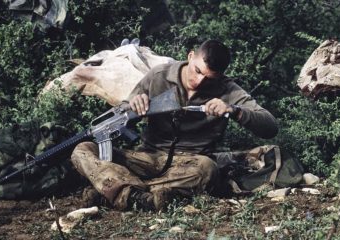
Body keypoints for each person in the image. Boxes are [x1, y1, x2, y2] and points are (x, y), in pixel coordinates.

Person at [70, 39, 278, 211]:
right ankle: (141, 196)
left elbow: (270, 126)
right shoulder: (159, 75)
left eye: (208, 78)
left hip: (188, 166)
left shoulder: (228, 89)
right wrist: (133, 107)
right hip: (145, 158)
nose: (198, 81)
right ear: (190, 57)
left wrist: (234, 110)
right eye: (197, 70)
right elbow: (123, 111)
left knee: (208, 169)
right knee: (83, 149)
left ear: (220, 76)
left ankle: (116, 191)